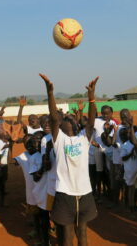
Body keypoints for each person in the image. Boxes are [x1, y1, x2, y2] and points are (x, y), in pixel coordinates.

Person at [40, 73, 98, 246]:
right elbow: (53, 117)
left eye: (72, 119)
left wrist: (92, 98)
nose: (69, 119)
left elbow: (91, 121)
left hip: (84, 192)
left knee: (82, 234)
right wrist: (50, 93)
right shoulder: (59, 140)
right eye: (66, 119)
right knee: (66, 236)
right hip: (65, 193)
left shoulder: (83, 138)